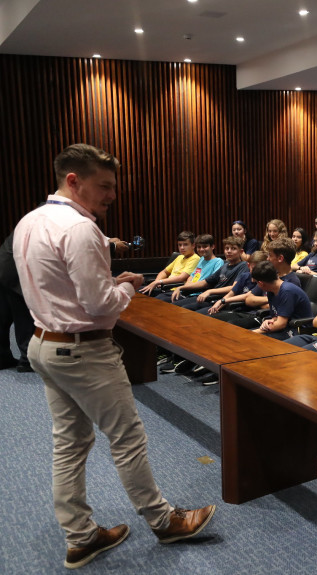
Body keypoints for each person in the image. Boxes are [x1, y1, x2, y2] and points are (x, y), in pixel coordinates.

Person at [13, 144, 215, 569]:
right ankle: (164, 522)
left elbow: (60, 286)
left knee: (69, 443)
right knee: (127, 438)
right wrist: (127, 285)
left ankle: (81, 537)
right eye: (104, 186)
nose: (111, 195)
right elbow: (102, 306)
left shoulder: (29, 221)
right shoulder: (81, 229)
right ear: (73, 180)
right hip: (83, 352)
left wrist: (106, 284)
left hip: (43, 344)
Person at [169, 236, 247, 311]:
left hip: (218, 299)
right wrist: (181, 287)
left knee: (185, 310)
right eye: (227, 248)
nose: (229, 251)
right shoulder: (225, 266)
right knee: (175, 306)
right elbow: (205, 282)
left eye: (233, 249)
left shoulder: (243, 266)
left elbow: (234, 287)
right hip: (209, 297)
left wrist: (209, 291)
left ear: (241, 252)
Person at [0, 231, 35, 371]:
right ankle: (27, 361)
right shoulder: (48, 221)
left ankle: (2, 358)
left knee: (3, 316)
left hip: (4, 262)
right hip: (16, 270)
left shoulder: (33, 219)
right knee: (23, 315)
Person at [249, 261, 312, 340]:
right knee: (250, 335)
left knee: (252, 337)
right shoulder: (271, 290)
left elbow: (281, 324)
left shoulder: (287, 291)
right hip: (285, 326)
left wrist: (254, 332)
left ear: (261, 283)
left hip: (298, 330)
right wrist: (271, 320)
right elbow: (277, 316)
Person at [156, 234, 222, 303]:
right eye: (199, 247)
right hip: (188, 291)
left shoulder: (218, 261)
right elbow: (192, 276)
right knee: (159, 298)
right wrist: (186, 287)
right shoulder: (202, 259)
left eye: (205, 247)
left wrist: (184, 288)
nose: (201, 249)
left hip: (200, 294)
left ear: (213, 246)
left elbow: (211, 282)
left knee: (170, 303)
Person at [138, 231, 199, 295]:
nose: (182, 248)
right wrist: (157, 281)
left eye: (185, 244)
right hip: (164, 287)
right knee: (135, 291)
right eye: (180, 245)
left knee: (139, 294)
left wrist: (160, 282)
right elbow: (164, 272)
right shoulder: (180, 257)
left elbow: (181, 278)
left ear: (193, 245)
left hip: (174, 289)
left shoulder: (195, 258)